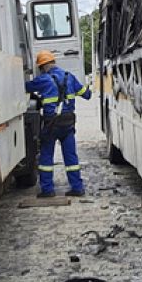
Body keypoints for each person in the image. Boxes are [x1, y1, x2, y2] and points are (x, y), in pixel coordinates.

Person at [25, 50, 92, 198]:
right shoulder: (69, 77)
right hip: (68, 123)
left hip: (51, 125)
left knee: (46, 157)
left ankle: (47, 190)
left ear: (42, 66)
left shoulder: (43, 79)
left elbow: (26, 87)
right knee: (71, 157)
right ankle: (77, 188)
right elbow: (87, 95)